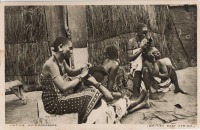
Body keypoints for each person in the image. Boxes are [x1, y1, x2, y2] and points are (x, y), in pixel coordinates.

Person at [39, 37, 112, 123]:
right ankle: (87, 122)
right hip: (54, 102)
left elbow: (70, 72)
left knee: (91, 90)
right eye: (70, 48)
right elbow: (63, 87)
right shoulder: (51, 64)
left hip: (61, 95)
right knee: (89, 95)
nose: (72, 51)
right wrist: (81, 76)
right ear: (60, 47)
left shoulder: (61, 60)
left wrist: (81, 69)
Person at [84, 66, 150, 124]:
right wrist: (97, 84)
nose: (99, 82)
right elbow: (109, 97)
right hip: (101, 119)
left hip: (99, 114)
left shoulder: (86, 85)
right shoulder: (90, 88)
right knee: (123, 102)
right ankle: (140, 103)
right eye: (97, 80)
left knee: (120, 105)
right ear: (90, 77)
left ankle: (140, 103)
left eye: (100, 81)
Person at [127, 23, 152, 96]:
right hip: (135, 62)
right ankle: (136, 92)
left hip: (144, 60)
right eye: (143, 32)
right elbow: (130, 58)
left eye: (146, 32)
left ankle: (149, 91)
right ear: (137, 32)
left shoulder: (146, 40)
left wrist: (149, 43)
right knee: (138, 68)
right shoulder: (131, 41)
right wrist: (141, 50)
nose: (145, 34)